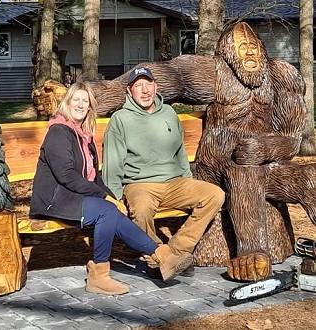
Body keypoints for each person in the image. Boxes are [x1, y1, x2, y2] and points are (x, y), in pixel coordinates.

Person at [29, 82, 194, 296]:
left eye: (85, 101)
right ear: (67, 103)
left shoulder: (83, 136)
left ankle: (162, 256)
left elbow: (94, 177)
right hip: (55, 199)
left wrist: (114, 197)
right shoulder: (59, 132)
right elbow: (67, 176)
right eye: (76, 100)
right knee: (105, 210)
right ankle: (99, 275)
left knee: (111, 209)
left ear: (90, 107)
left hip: (73, 196)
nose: (80, 105)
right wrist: (105, 197)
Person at [102, 67, 225, 278]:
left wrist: (187, 179)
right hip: (140, 184)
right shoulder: (121, 119)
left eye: (148, 84)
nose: (144, 90)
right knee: (140, 212)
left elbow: (180, 152)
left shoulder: (168, 112)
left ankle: (175, 252)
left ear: (155, 87)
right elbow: (113, 163)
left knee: (215, 195)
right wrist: (114, 199)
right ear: (130, 91)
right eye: (138, 86)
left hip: (175, 182)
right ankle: (157, 256)